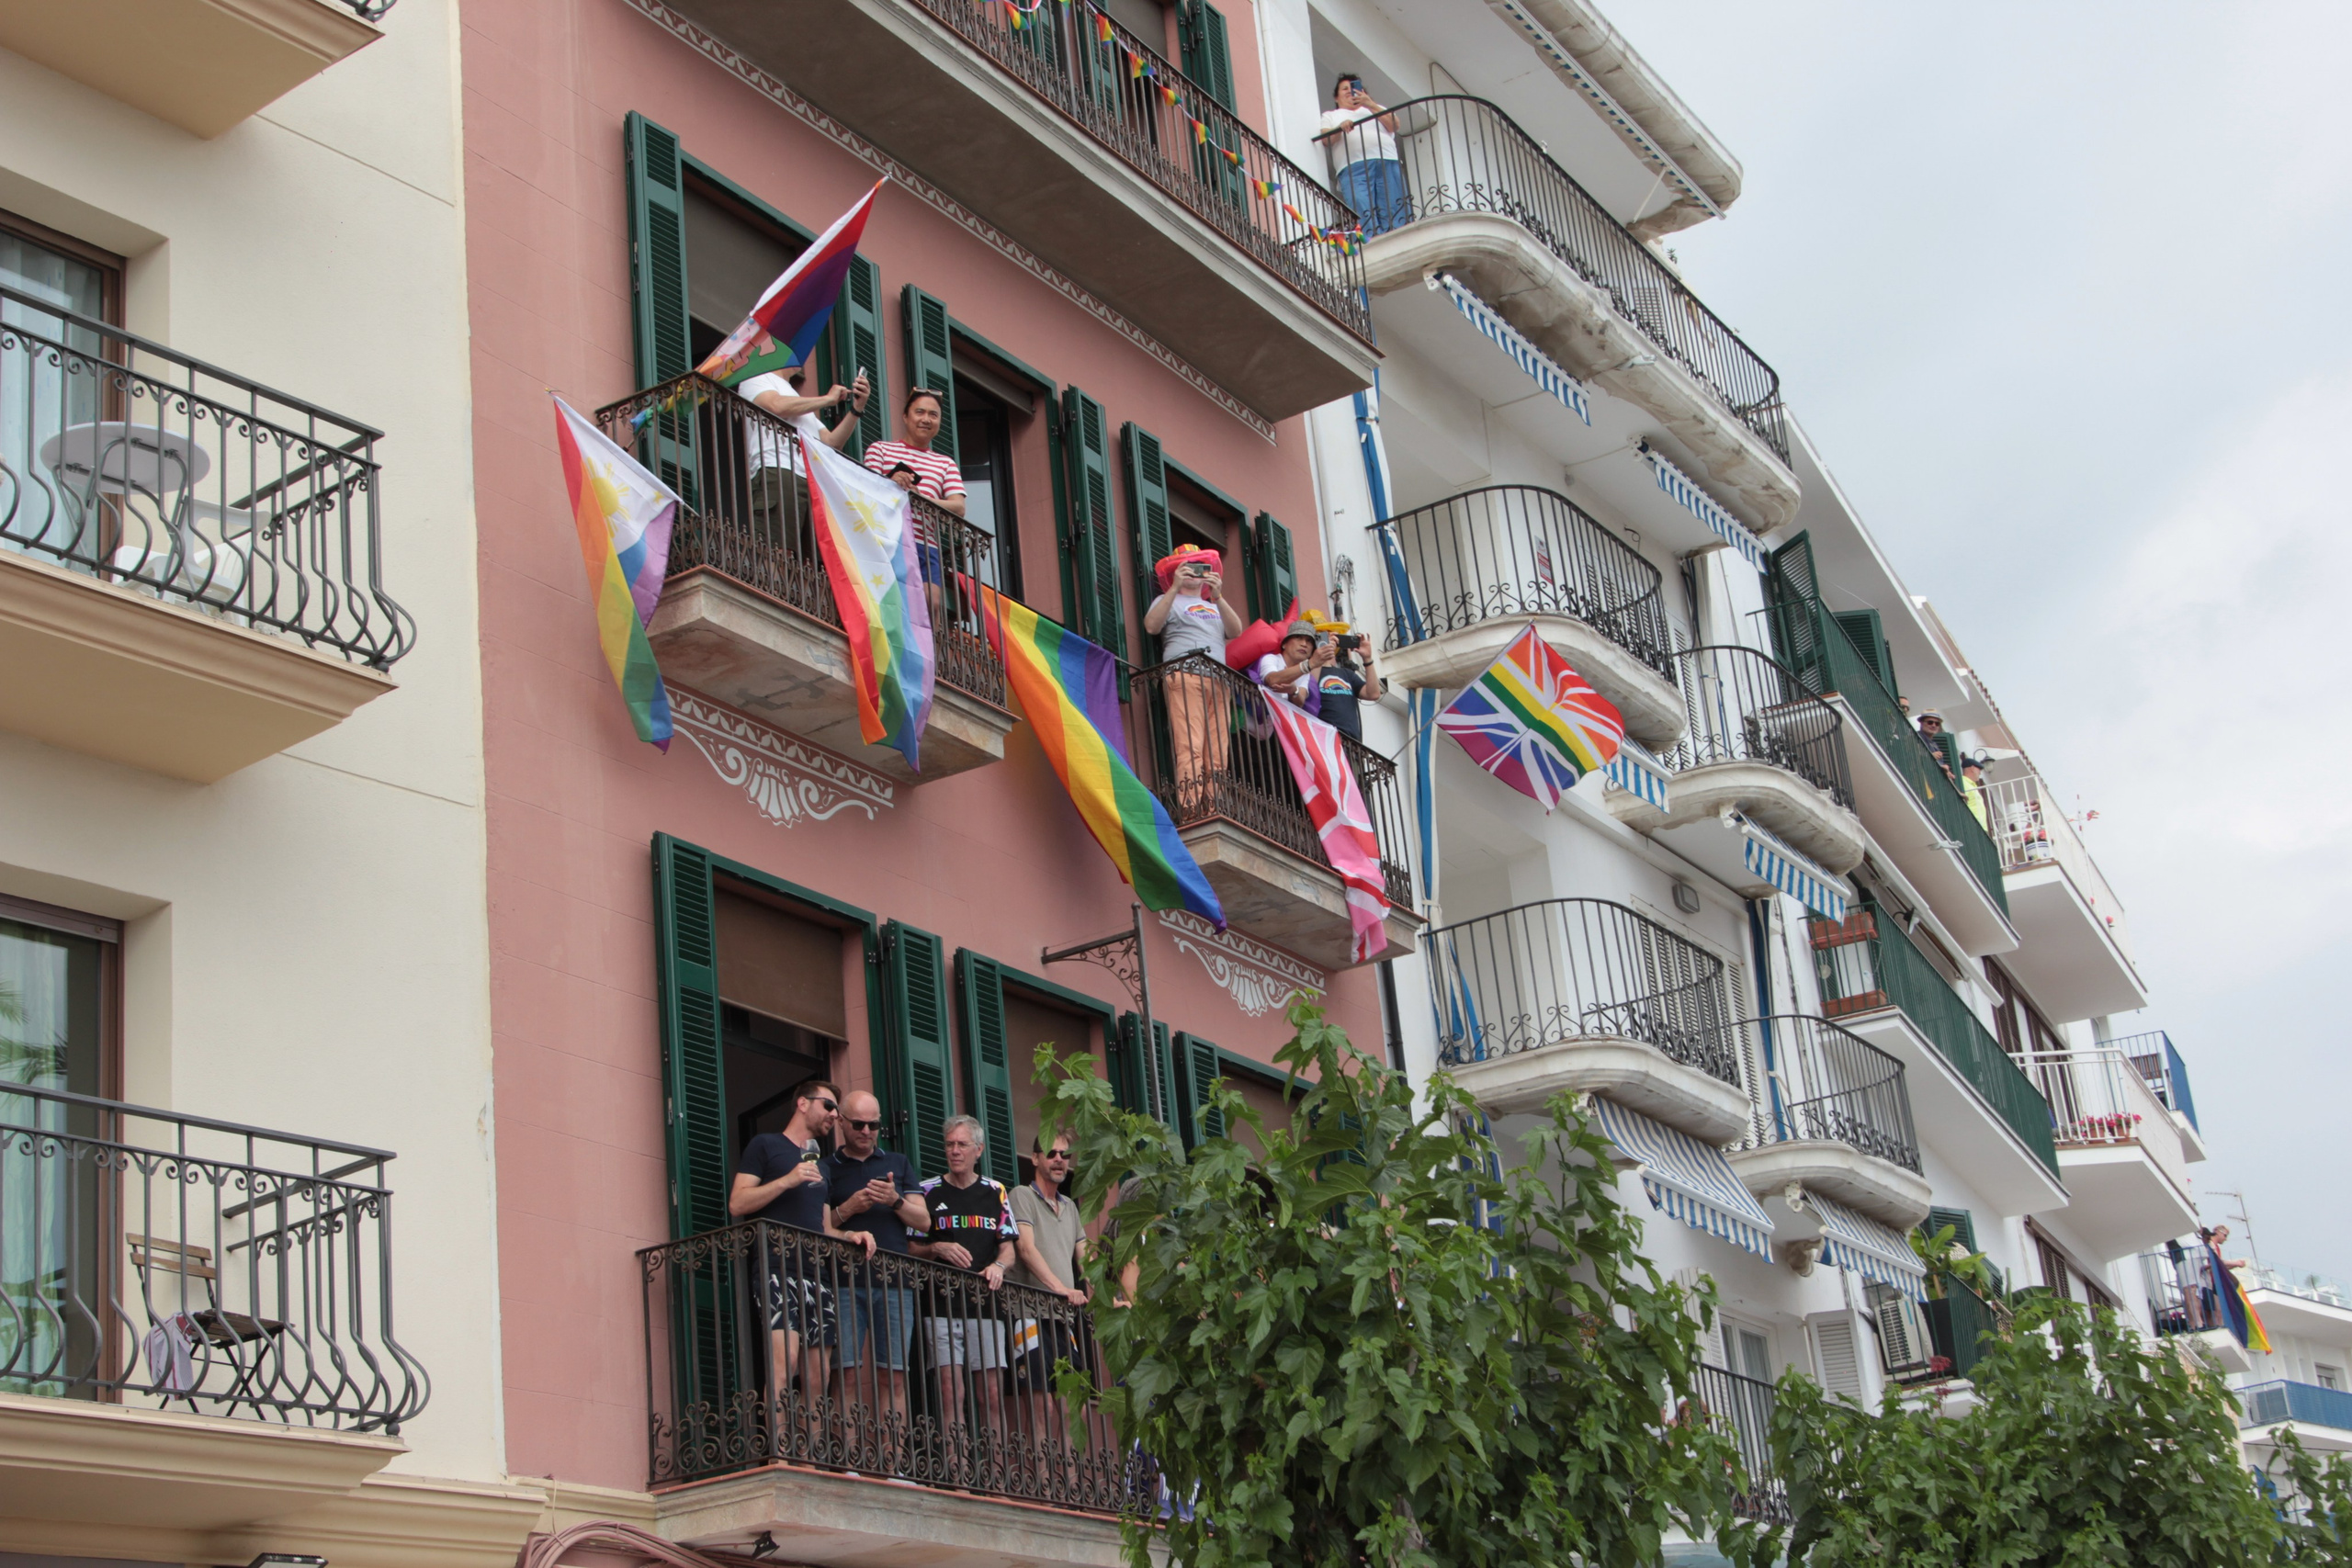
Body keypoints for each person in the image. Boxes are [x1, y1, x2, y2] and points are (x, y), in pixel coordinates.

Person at [729, 1079, 849, 1418]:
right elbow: (738, 1203)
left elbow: (824, 1229)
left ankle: (810, 1459)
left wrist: (851, 1236)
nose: (834, 1116)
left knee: (819, 1375)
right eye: (828, 1106)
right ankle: (780, 1454)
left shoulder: (823, 1167)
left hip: (817, 1274)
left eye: (837, 1111)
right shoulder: (765, 1146)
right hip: (776, 1267)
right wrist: (787, 1180)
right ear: (802, 1103)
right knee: (786, 1363)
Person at [824, 1089, 932, 1448]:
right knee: (846, 1374)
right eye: (859, 1124)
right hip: (842, 1280)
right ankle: (851, 1460)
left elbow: (925, 1221)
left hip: (895, 1281)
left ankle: (895, 1463)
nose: (867, 1131)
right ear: (840, 1122)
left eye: (874, 1125)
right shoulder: (827, 1168)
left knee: (894, 1376)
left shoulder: (898, 1163)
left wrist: (895, 1199)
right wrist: (850, 1208)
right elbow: (820, 1224)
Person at [913, 1115, 1020, 1442]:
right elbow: (910, 1249)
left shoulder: (995, 1192)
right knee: (949, 1392)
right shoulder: (926, 1191)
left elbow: (1009, 1250)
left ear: (979, 1150)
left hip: (985, 1306)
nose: (954, 1151)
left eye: (962, 1144)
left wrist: (998, 1268)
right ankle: (958, 1476)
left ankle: (997, 1485)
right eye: (949, 1144)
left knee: (990, 1394)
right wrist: (937, 1248)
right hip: (941, 1305)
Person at [1010, 1133, 1092, 1453]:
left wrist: (1109, 1300)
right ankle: (1043, 1488)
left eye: (1065, 1155)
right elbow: (1026, 1251)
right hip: (1029, 1314)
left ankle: (1073, 1493)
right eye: (1052, 1153)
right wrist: (1061, 1289)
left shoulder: (1070, 1207)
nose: (1059, 1159)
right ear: (1035, 1159)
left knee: (1077, 1411)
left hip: (1062, 1319)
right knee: (1041, 1406)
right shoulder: (1021, 1196)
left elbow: (1088, 1262)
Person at [1143, 544, 1243, 808]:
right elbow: (1152, 626)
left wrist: (1219, 597)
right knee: (1190, 745)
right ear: (1175, 571)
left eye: (1199, 566)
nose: (1192, 572)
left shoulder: (1213, 605)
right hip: (1184, 675)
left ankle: (1213, 808)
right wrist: (1173, 588)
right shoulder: (1168, 600)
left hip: (1218, 681)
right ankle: (1191, 808)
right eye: (1184, 566)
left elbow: (1236, 630)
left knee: (1218, 752)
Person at [1318, 74, 1408, 236]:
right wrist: (1340, 128)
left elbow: (1394, 125)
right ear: (1336, 97)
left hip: (1387, 161)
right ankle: (1371, 239)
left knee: (1392, 203)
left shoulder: (1375, 108)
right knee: (1361, 204)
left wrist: (1370, 104)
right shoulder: (1331, 115)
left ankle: (1397, 235)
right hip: (1353, 167)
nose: (1349, 91)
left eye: (1353, 88)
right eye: (1344, 88)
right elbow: (1326, 139)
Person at [1308, 623, 1382, 743]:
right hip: (1324, 740)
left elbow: (1373, 694)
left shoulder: (1347, 674)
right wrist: (1321, 653)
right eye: (1323, 636)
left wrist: (1367, 659)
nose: (1330, 640)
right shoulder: (1307, 670)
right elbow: (1309, 689)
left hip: (1351, 745)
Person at [1959, 754, 1989, 830]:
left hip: (1980, 828)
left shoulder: (1972, 785)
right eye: (1979, 769)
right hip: (1973, 827)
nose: (1980, 773)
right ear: (1972, 768)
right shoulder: (1963, 782)